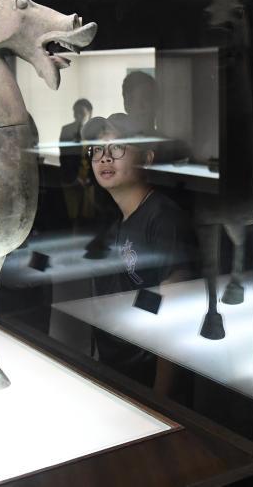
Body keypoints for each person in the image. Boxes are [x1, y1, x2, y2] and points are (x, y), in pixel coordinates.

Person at [81, 113, 198, 388]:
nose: (104, 158)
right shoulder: (115, 221)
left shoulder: (164, 219)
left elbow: (175, 318)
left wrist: (160, 398)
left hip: (145, 383)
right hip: (115, 372)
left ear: (146, 158)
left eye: (117, 147)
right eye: (97, 149)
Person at [59, 98, 94, 228]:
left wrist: (90, 178)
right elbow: (64, 157)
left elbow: (97, 156)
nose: (78, 115)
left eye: (81, 112)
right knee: (71, 216)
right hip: (71, 178)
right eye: (75, 112)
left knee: (88, 216)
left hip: (89, 180)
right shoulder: (67, 130)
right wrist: (75, 178)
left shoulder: (94, 132)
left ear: (90, 113)